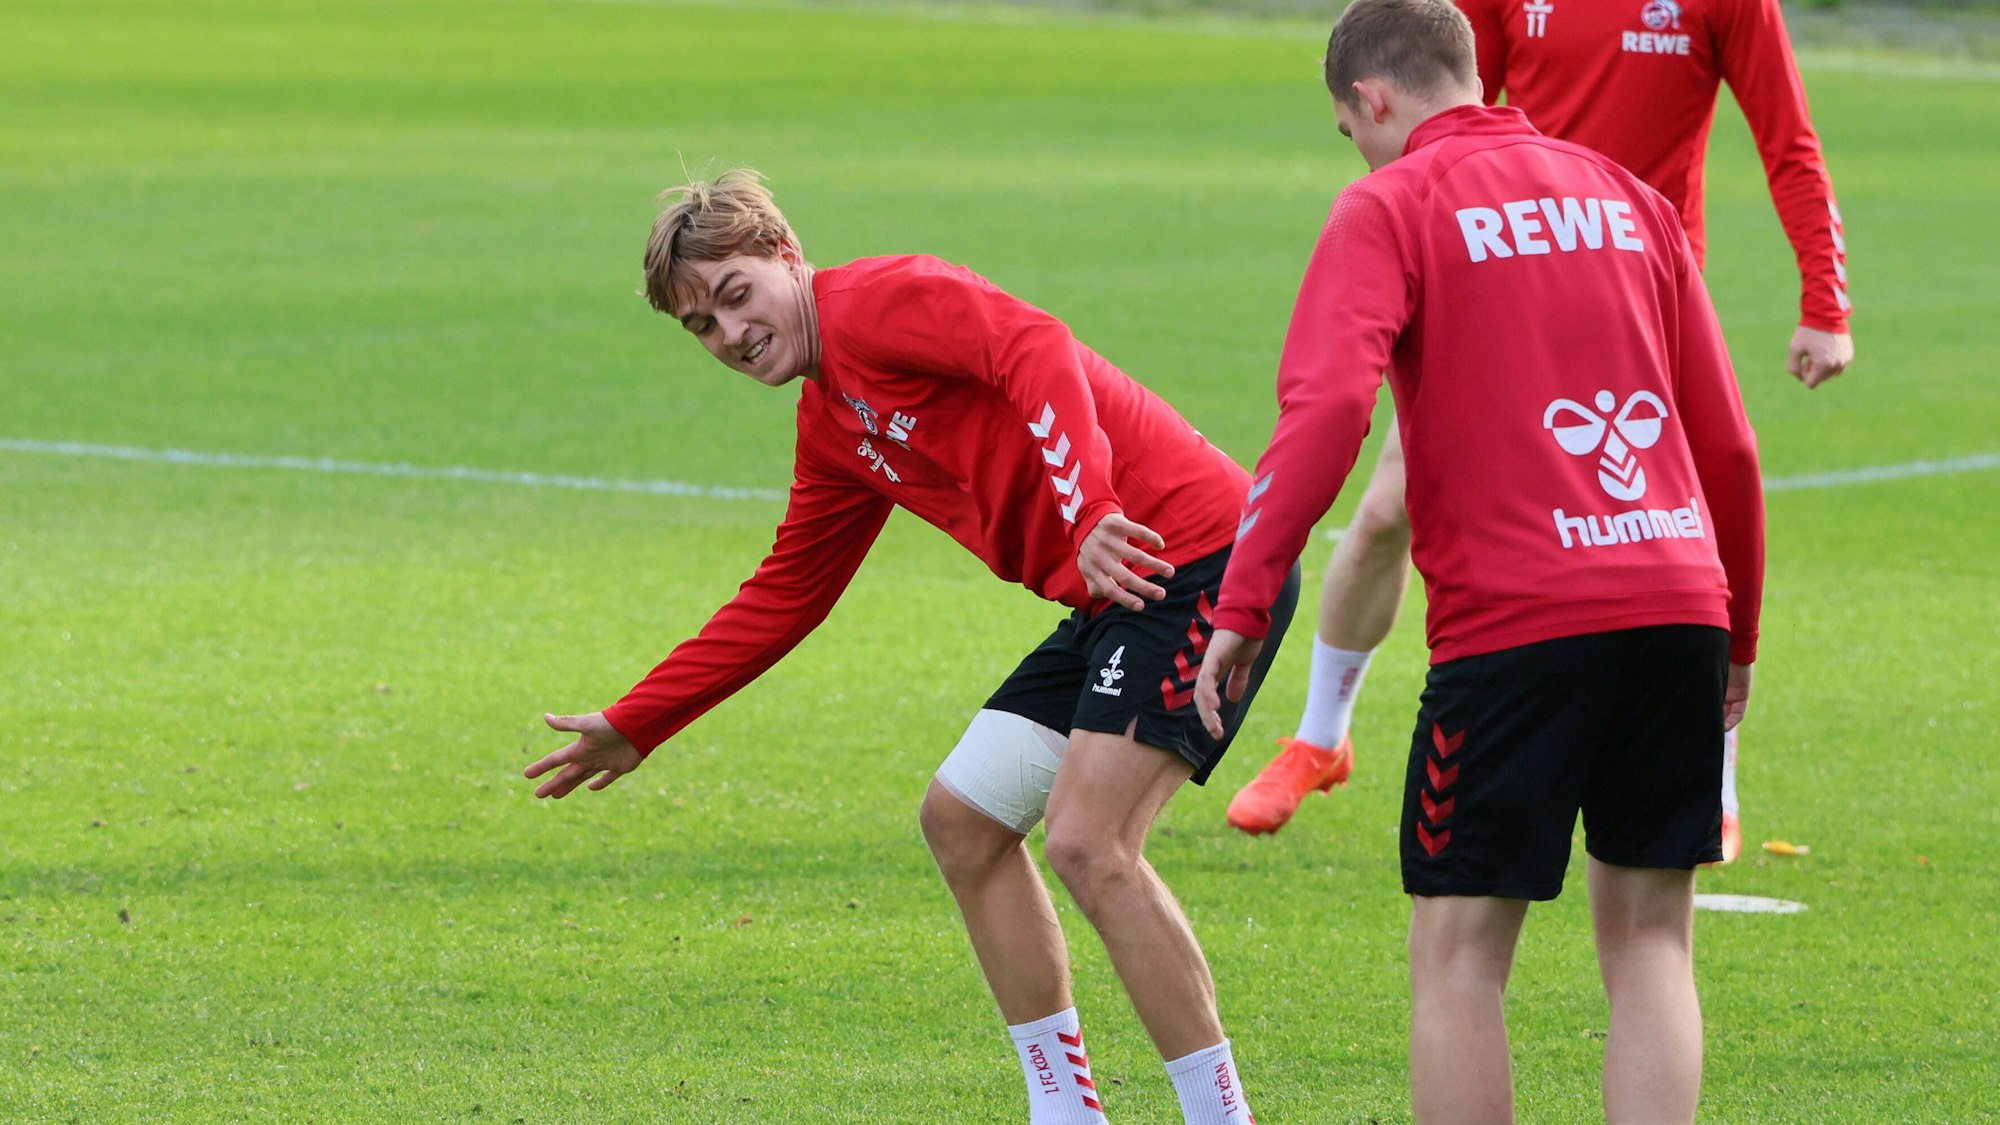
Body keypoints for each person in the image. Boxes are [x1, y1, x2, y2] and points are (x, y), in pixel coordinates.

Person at [523, 169, 1297, 1125]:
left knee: (1090, 843)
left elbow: (1034, 346)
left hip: (1197, 559)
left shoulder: (877, 304)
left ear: (785, 255)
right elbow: (785, 597)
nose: (729, 333)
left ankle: (1222, 1117)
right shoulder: (831, 426)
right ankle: (1066, 1111)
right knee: (963, 821)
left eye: (736, 295)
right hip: (1119, 595)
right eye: (701, 325)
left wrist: (1090, 504)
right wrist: (641, 720)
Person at [1194, 0, 1764, 1118]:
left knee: (1457, 958)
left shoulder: (1388, 204)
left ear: (1371, 99)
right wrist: (1735, 634)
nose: (1355, 148)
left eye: (1348, 128)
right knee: (1651, 940)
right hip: (1674, 602)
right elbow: (1728, 445)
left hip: (1516, 625)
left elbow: (1322, 415)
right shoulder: (1629, 199)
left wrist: (1243, 599)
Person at [1227, 0, 1851, 861]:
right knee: (1382, 515)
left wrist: (1826, 299)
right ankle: (1320, 735)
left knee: (1669, 519)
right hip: (1495, 283)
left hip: (1638, 283)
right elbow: (1451, 91)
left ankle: (1718, 768)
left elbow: (1788, 138)